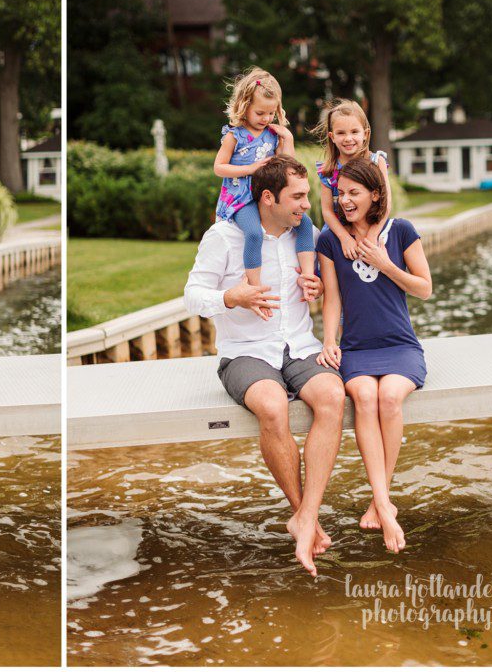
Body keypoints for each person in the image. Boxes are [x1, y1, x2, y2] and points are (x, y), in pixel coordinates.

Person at [185, 154, 345, 578]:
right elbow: (192, 295)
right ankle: (302, 513)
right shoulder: (224, 236)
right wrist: (231, 298)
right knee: (272, 406)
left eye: (307, 195)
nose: (306, 204)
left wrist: (315, 287)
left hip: (298, 345)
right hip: (244, 352)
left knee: (333, 395)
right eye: (297, 197)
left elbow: (328, 290)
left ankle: (306, 517)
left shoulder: (303, 236)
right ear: (269, 197)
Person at [315, 157, 432, 554]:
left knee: (389, 398)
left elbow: (424, 288)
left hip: (400, 345)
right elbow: (332, 297)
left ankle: (378, 499)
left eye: (354, 193)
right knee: (364, 397)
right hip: (358, 348)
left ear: (375, 194)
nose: (345, 200)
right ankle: (384, 501)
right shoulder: (331, 240)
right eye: (340, 193)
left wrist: (386, 265)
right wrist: (329, 340)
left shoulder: (401, 231)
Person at [213, 68, 313, 315]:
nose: (266, 118)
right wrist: (250, 168)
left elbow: (287, 170)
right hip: (242, 199)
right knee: (254, 234)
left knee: (306, 225)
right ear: (244, 106)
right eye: (260, 112)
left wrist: (287, 140)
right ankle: (255, 290)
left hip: (266, 197)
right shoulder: (234, 136)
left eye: (271, 113)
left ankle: (308, 277)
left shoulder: (272, 134)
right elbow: (219, 168)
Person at [311, 99, 394, 259]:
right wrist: (344, 238)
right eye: (341, 133)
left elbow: (386, 202)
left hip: (371, 226)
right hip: (339, 230)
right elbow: (327, 211)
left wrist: (372, 234)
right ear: (332, 137)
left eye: (354, 132)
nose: (348, 138)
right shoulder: (328, 170)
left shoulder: (377, 162)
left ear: (365, 134)